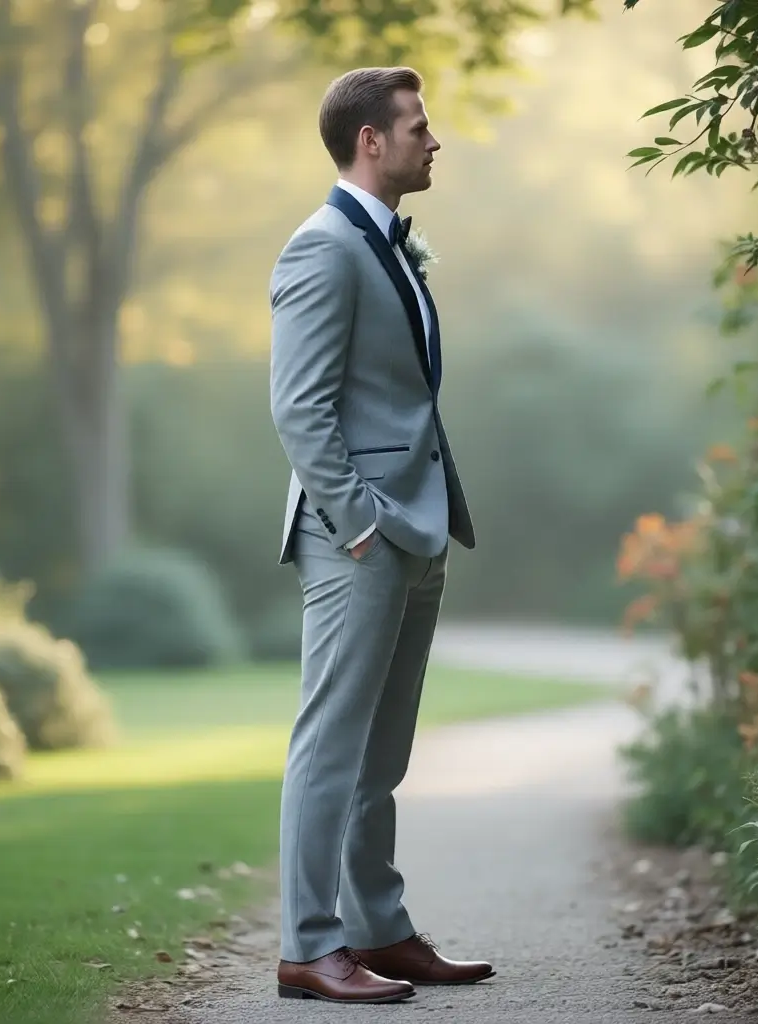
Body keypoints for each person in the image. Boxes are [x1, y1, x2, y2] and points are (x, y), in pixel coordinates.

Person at [268, 66, 493, 1005]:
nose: (433, 141)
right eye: (419, 127)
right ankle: (309, 946)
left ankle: (379, 929)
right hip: (359, 537)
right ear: (372, 139)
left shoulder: (391, 245)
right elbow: (299, 409)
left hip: (418, 528)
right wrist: (362, 524)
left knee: (382, 752)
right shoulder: (322, 248)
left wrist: (414, 525)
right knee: (331, 745)